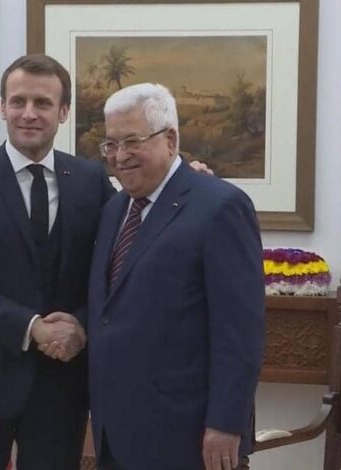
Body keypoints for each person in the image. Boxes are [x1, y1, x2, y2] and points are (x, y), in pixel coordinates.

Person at [0, 54, 115, 469]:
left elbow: (112, 271)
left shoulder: (92, 181)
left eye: (43, 103)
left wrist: (79, 325)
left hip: (62, 386)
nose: (29, 113)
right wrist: (32, 327)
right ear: (3, 107)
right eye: (18, 101)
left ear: (63, 111)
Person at [86, 83, 265, 470]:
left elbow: (240, 331)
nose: (120, 156)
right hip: (115, 431)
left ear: (170, 140)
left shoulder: (220, 207)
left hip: (186, 434)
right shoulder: (114, 210)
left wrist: (226, 423)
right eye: (111, 144)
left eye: (132, 141)